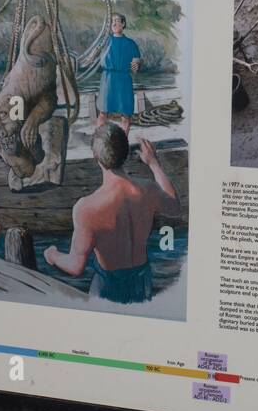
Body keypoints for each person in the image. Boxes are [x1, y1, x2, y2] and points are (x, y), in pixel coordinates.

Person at [45, 124, 179, 305]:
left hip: (108, 288)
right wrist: (154, 163)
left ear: (96, 157)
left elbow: (76, 267)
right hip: (142, 281)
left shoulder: (87, 208)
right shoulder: (148, 190)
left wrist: (53, 255)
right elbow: (174, 205)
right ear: (125, 153)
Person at [97, 13, 142, 135]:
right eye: (112, 21)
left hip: (124, 80)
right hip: (108, 80)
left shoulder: (130, 43)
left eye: (117, 21)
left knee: (126, 114)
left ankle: (123, 142)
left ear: (123, 24)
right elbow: (94, 58)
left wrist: (136, 64)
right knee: (103, 112)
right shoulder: (104, 42)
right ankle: (100, 140)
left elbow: (136, 63)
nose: (114, 23)